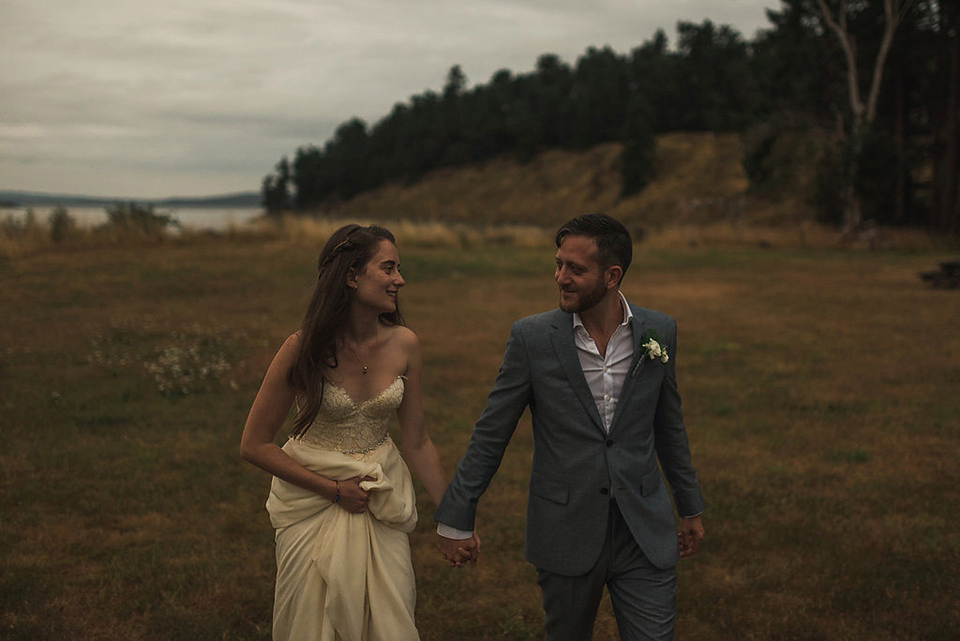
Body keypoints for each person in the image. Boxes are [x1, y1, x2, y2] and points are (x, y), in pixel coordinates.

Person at [435, 213, 705, 640]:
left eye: (575, 269)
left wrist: (689, 505)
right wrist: (456, 518)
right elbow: (491, 433)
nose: (560, 277)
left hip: (643, 528)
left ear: (612, 275)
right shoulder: (532, 338)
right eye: (559, 264)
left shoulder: (659, 331)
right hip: (565, 528)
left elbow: (669, 425)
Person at [240, 224, 475, 641]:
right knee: (312, 626)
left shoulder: (405, 344)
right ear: (351, 276)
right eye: (388, 268)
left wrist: (453, 518)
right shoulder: (302, 348)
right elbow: (254, 444)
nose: (399, 279)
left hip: (381, 500)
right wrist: (331, 489)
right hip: (311, 504)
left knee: (391, 623)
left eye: (399, 268)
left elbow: (418, 441)